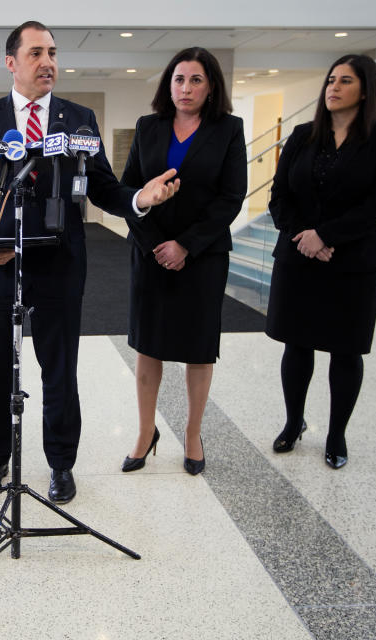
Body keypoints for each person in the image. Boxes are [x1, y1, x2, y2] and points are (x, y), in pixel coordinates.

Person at [0, 21, 180, 503]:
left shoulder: (79, 119)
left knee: (59, 370)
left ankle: (60, 464)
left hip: (60, 264)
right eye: (35, 53)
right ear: (11, 62)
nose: (47, 61)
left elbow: (104, 188)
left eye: (52, 52)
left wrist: (141, 199)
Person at [266, 54, 376, 469]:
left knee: (346, 352)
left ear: (366, 90)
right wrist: (304, 237)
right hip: (298, 258)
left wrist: (326, 236)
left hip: (353, 262)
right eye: (330, 79)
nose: (333, 87)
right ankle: (294, 423)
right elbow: (279, 197)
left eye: (345, 81)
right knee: (297, 344)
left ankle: (336, 433)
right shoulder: (302, 135)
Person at [119, 47, 246, 476]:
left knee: (198, 348)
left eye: (195, 80)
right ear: (167, 84)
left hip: (203, 256)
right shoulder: (148, 127)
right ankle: (144, 431)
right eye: (178, 79)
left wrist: (185, 245)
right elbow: (129, 192)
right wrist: (158, 244)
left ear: (211, 86)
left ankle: (193, 433)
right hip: (151, 252)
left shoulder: (228, 130)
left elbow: (231, 197)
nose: (185, 88)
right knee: (148, 346)